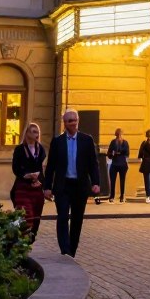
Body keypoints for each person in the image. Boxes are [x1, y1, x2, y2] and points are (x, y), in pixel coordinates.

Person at [43, 109, 101, 257]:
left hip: (80, 186)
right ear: (65, 123)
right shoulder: (57, 142)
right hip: (63, 186)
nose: (73, 123)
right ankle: (65, 249)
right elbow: (51, 166)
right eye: (70, 121)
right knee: (62, 216)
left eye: (75, 120)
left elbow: (93, 164)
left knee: (77, 219)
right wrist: (47, 187)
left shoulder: (87, 140)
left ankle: (72, 251)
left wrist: (96, 182)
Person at [11, 122, 47, 235]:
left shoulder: (41, 150)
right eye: (32, 131)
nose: (34, 134)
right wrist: (25, 175)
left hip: (36, 188)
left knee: (36, 218)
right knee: (26, 216)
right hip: (23, 187)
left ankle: (30, 239)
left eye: (36, 132)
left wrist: (40, 180)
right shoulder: (20, 149)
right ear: (26, 133)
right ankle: (22, 240)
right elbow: (15, 168)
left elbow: (42, 169)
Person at [105, 128, 130, 203]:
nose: (120, 136)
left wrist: (118, 153)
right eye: (118, 134)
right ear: (116, 134)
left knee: (122, 181)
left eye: (121, 134)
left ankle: (122, 196)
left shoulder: (125, 142)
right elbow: (109, 154)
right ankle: (112, 196)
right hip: (114, 164)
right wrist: (112, 154)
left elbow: (127, 153)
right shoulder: (113, 142)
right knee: (113, 181)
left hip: (122, 164)